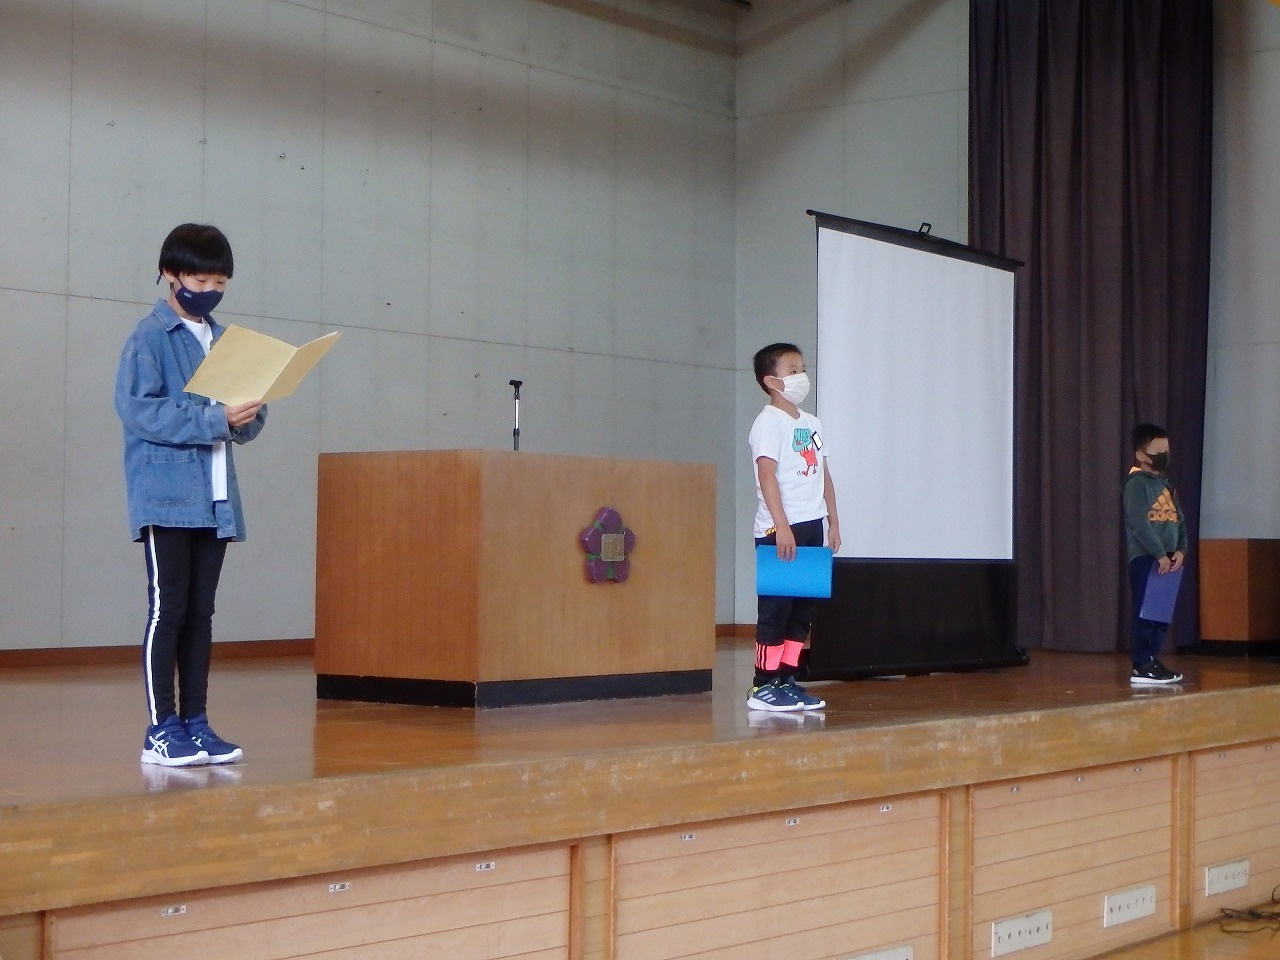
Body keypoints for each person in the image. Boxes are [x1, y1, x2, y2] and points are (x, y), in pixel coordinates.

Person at [115, 223, 267, 766]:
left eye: (219, 282)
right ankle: (161, 729)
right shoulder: (149, 337)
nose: (210, 290)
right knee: (169, 610)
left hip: (216, 497)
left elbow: (244, 423)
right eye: (200, 280)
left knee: (201, 614)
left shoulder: (224, 341)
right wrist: (214, 418)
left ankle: (197, 723)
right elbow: (139, 410)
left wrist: (249, 412)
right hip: (167, 496)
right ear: (170, 274)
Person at [746, 342, 841, 711]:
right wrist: (781, 526)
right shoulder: (769, 422)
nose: (801, 376)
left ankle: (787, 678)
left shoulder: (812, 423)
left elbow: (823, 474)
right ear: (771, 381)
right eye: (792, 370)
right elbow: (767, 475)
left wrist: (833, 521)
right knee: (776, 609)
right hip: (780, 531)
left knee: (802, 610)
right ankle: (763, 684)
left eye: (803, 369)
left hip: (812, 526)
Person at [1123, 423, 1187, 685]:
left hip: (1168, 559)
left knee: (1160, 614)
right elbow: (1140, 524)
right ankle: (1141, 664)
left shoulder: (1167, 486)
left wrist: (1180, 550)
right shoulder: (1136, 485)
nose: (1164, 456)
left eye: (1166, 451)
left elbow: (1179, 522)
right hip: (1147, 559)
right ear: (1141, 455)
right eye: (1157, 452)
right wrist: (1159, 554)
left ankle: (1153, 659)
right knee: (1146, 612)